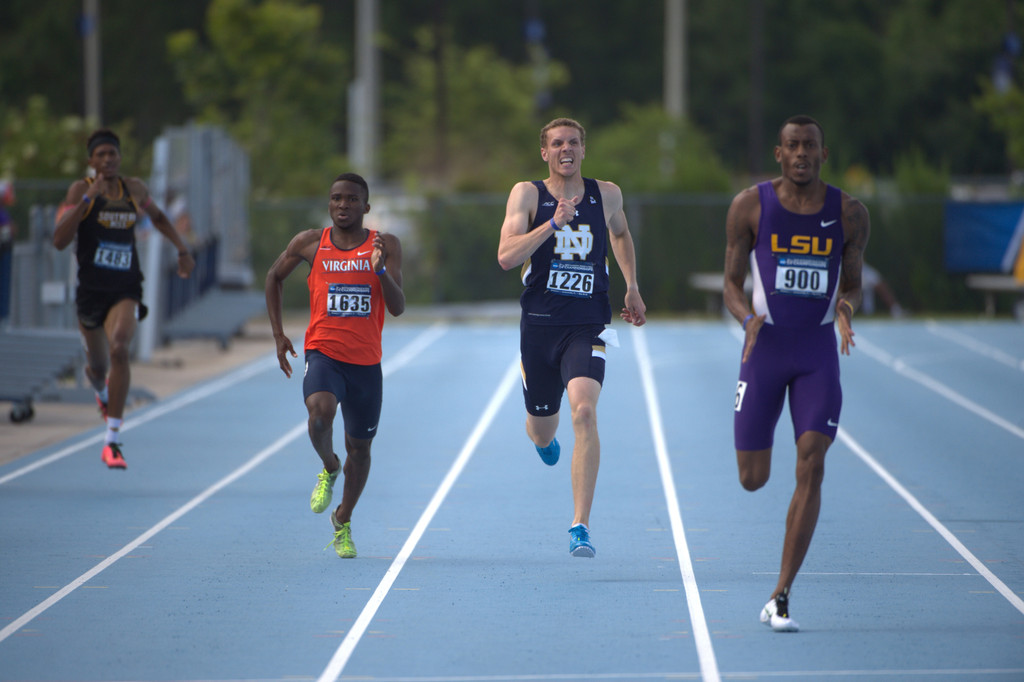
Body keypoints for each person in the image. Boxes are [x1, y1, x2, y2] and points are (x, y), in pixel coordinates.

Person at [723, 115, 870, 632]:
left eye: (811, 145)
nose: (802, 153)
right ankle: (780, 591)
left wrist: (847, 310)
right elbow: (730, 285)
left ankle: (781, 594)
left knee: (812, 463)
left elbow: (851, 285)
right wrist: (746, 320)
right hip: (764, 350)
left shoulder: (849, 214)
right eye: (793, 145)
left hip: (816, 353)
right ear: (779, 154)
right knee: (752, 479)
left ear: (823, 154)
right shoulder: (749, 206)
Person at [497, 117, 647, 558]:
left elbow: (619, 233)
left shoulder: (608, 194)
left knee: (584, 412)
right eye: (557, 143)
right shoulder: (528, 194)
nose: (566, 149)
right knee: (542, 429)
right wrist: (552, 226)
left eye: (574, 142)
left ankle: (580, 525)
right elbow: (506, 257)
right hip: (540, 328)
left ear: (584, 149)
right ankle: (545, 440)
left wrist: (632, 285)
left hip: (588, 324)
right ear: (544, 152)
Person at [265, 172, 405, 559]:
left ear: (366, 207)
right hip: (323, 353)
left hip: (365, 364)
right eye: (336, 198)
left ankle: (342, 520)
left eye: (351, 199)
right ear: (330, 204)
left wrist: (378, 270)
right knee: (320, 416)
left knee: (360, 449)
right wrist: (278, 334)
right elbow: (273, 278)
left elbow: (397, 307)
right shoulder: (310, 243)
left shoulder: (385, 244)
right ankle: (329, 466)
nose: (343, 205)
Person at [53, 129, 196, 469]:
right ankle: (102, 393)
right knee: (98, 366)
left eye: (112, 154)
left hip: (125, 287)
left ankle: (112, 440)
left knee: (120, 347)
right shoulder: (79, 189)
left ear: (119, 157)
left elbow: (159, 217)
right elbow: (59, 240)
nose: (107, 160)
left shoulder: (134, 190)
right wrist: (87, 200)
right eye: (100, 155)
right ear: (91, 161)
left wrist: (182, 249)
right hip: (91, 290)